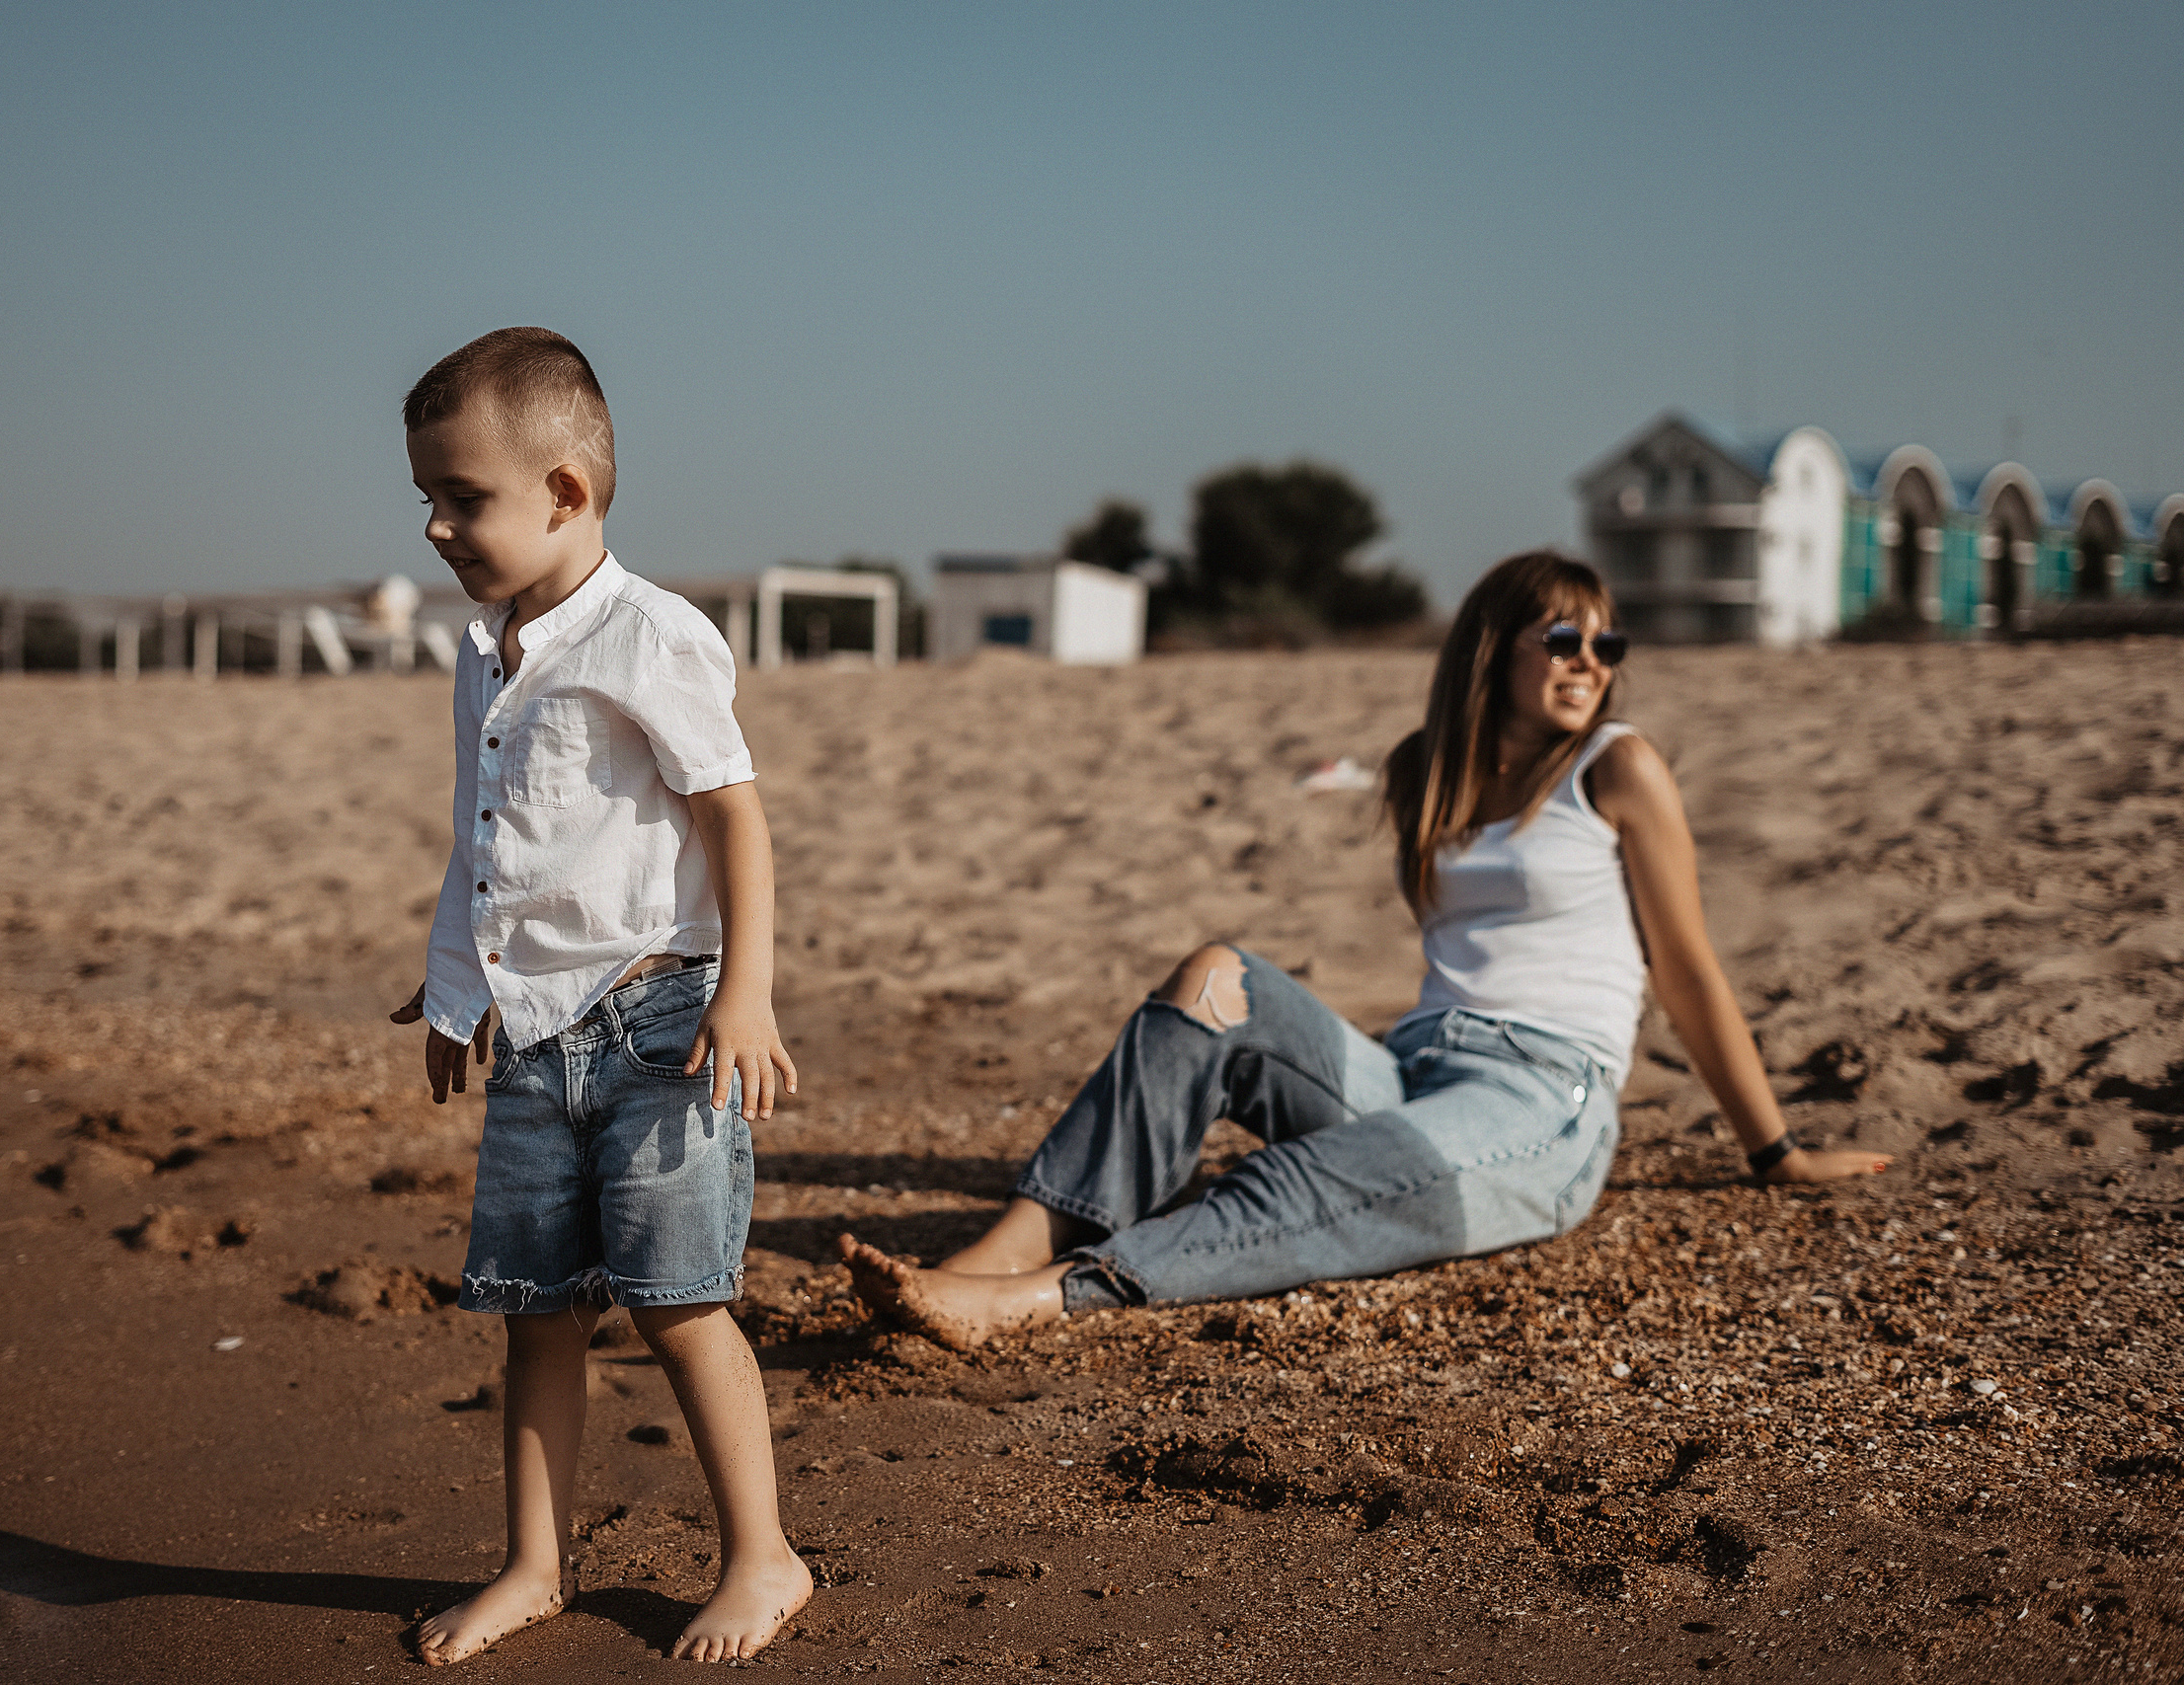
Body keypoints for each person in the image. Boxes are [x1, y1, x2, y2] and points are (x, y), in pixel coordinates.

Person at [840, 550, 1888, 1348]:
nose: (1588, 665)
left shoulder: (1620, 767)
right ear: (1495, 650)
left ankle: (1031, 1299)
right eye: (1562, 641)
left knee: (1300, 1185)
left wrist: (1773, 1154)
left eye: (1605, 647)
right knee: (1216, 978)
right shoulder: (1422, 771)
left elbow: (1689, 968)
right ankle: (1008, 1245)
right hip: (1422, 1067)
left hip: (1541, 1103)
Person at [384, 327, 812, 1664]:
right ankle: (533, 1560)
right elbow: (487, 829)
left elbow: (737, 819)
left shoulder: (650, 635)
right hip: (533, 1032)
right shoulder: (484, 649)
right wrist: (457, 986)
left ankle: (765, 1556)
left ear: (564, 490)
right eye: (429, 500)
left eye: (466, 497)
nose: (441, 524)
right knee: (534, 1306)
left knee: (682, 1299)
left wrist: (747, 994)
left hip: (662, 1025)